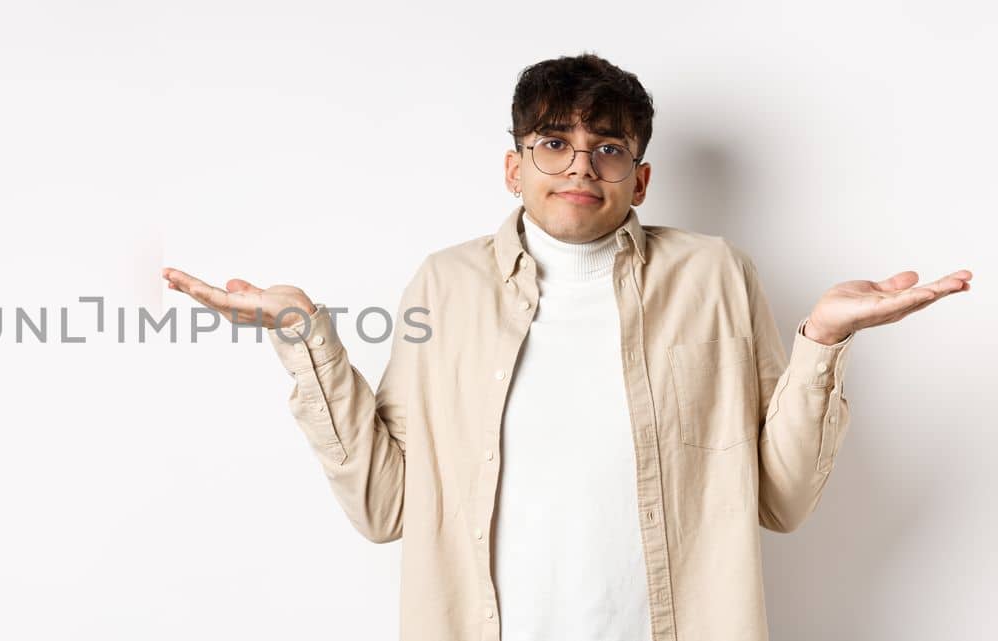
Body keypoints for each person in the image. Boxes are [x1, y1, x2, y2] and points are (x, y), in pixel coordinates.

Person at [159, 52, 973, 641]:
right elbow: (385, 508)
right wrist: (309, 343)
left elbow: (783, 499)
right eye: (554, 142)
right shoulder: (446, 284)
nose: (581, 163)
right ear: (515, 167)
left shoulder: (716, 274)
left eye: (608, 146)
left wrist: (821, 342)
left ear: (639, 178)